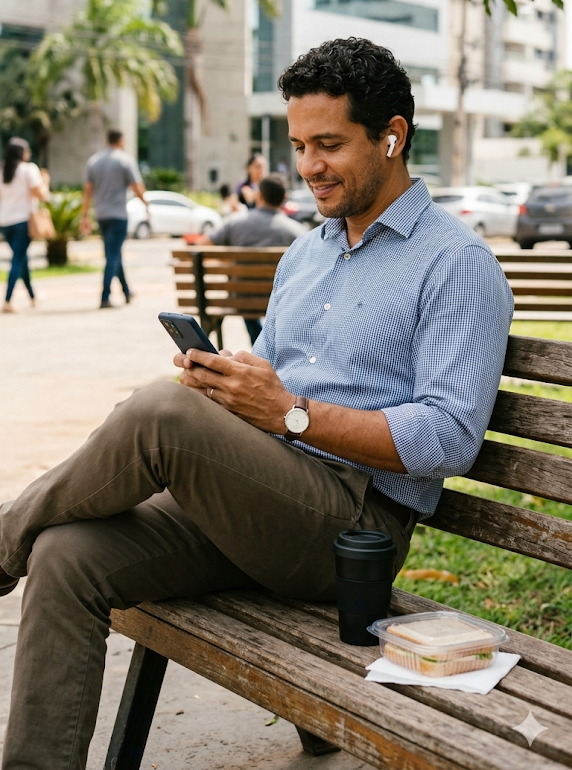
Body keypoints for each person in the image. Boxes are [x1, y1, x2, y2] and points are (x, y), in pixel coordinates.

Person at [0, 38, 514, 770]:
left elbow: (450, 437)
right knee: (64, 554)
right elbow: (269, 379)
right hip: (256, 501)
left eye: (329, 145)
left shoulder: (456, 263)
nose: (308, 167)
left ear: (392, 136)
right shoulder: (306, 253)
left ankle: (0, 543)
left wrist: (288, 412)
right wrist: (230, 385)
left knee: (162, 415)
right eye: (300, 146)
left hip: (352, 532)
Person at [202, 173, 305, 343]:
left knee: (246, 297)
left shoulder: (234, 222)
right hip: (281, 301)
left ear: (259, 195)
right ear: (284, 198)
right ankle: (265, 347)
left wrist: (226, 261)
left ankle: (259, 345)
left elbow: (203, 245)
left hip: (241, 299)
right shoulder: (297, 231)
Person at [81, 129, 148, 309]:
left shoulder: (94, 161)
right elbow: (136, 186)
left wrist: (85, 215)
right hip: (118, 215)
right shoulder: (125, 160)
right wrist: (146, 203)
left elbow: (87, 190)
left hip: (101, 215)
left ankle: (126, 291)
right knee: (112, 256)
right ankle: (105, 296)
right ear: (121, 140)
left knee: (114, 254)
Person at [0, 137, 49, 314]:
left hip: (5, 222)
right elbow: (41, 194)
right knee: (17, 259)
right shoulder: (29, 170)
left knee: (21, 259)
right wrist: (45, 181)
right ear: (22, 153)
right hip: (22, 221)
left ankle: (32, 296)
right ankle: (7, 300)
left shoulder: (2, 171)